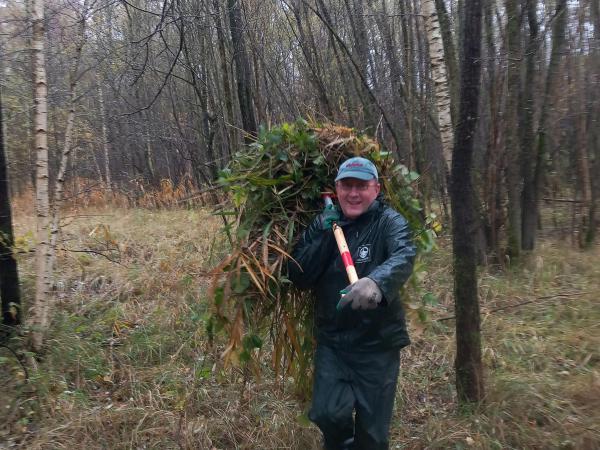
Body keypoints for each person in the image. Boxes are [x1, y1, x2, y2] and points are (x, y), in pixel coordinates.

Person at [287, 156, 416, 450]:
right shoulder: (323, 224)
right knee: (327, 413)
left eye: (362, 186)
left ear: (376, 189)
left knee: (372, 436)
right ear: (336, 188)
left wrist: (377, 282)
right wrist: (322, 234)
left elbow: (404, 254)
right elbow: (298, 275)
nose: (353, 193)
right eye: (347, 186)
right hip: (334, 342)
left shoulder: (389, 222)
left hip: (378, 347)